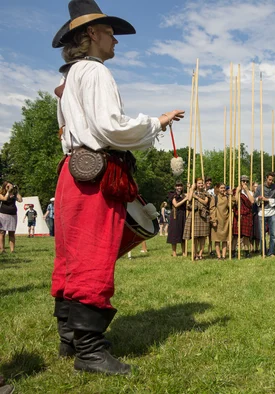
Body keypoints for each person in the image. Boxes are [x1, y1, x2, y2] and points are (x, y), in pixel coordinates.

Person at [50, 0, 185, 376]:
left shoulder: (70, 77)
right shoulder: (93, 73)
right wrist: (155, 123)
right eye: (109, 32)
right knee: (92, 256)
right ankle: (89, 352)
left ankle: (70, 338)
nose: (115, 40)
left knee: (71, 258)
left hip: (74, 173)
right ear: (91, 34)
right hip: (95, 177)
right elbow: (111, 127)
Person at [183, 178, 211, 260]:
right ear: (196, 184)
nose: (201, 185)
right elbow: (189, 199)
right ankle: (195, 253)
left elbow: (205, 202)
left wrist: (197, 197)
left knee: (202, 237)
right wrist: (191, 188)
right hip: (194, 215)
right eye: (199, 183)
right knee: (194, 236)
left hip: (203, 216)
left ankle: (200, 254)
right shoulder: (193, 192)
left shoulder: (205, 193)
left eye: (202, 183)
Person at [254, 172, 275, 257]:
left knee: (272, 234)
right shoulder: (259, 187)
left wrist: (267, 199)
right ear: (266, 178)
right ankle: (263, 252)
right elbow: (255, 199)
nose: (270, 181)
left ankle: (271, 252)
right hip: (262, 212)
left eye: (272, 180)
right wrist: (259, 198)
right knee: (262, 234)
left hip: (272, 212)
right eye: (269, 179)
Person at [232, 175, 255, 259]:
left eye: (246, 181)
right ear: (240, 182)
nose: (245, 183)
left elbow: (252, 201)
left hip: (247, 215)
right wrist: (238, 191)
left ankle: (246, 251)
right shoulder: (235, 191)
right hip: (238, 214)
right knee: (235, 235)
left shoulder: (249, 192)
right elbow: (236, 203)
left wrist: (246, 190)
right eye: (243, 181)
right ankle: (233, 251)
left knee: (246, 235)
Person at [210, 183, 232, 260]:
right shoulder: (215, 198)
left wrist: (231, 195)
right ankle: (219, 256)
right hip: (217, 220)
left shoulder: (227, 197)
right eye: (221, 188)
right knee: (217, 239)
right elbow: (212, 210)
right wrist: (213, 220)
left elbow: (232, 204)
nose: (223, 189)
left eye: (224, 188)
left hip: (226, 221)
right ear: (218, 189)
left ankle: (223, 256)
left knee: (225, 239)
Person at [0, 182, 23, 253]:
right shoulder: (1, 193)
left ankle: (12, 250)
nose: (10, 187)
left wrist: (17, 191)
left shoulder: (14, 194)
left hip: (13, 214)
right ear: (5, 186)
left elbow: (20, 200)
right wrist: (8, 191)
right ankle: (2, 249)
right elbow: (4, 199)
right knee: (2, 232)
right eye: (8, 186)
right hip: (3, 214)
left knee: (12, 232)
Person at [167, 182, 188, 256]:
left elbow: (190, 195)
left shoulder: (184, 195)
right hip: (175, 215)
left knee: (183, 233)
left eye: (180, 186)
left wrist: (190, 187)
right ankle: (174, 252)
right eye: (177, 186)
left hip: (183, 215)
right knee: (174, 233)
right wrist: (185, 199)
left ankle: (184, 252)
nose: (179, 187)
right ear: (175, 187)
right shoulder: (172, 195)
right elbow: (176, 205)